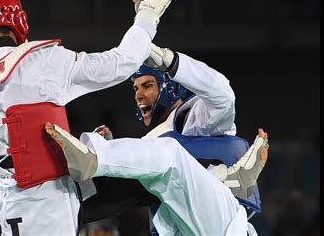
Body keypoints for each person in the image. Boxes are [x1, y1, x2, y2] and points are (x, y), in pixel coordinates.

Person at [0, 0, 178, 235]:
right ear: (17, 18)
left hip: (1, 209)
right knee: (157, 177)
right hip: (49, 203)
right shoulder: (44, 60)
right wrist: (146, 18)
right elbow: (120, 63)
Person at [44, 42, 270, 235]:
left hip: (223, 225)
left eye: (147, 85)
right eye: (135, 88)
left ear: (170, 87)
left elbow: (223, 95)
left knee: (169, 153)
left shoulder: (196, 117)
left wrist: (171, 61)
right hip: (181, 229)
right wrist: (112, 159)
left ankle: (94, 158)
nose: (138, 94)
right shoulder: (152, 142)